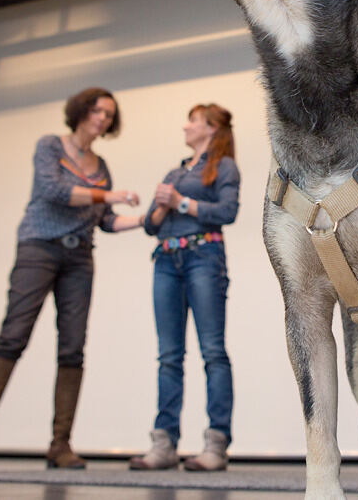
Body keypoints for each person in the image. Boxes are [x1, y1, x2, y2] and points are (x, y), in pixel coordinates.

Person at [0, 87, 144, 470]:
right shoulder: (50, 146)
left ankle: (60, 445)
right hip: (38, 249)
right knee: (12, 336)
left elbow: (107, 222)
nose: (102, 118)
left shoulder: (102, 166)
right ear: (81, 111)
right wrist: (110, 196)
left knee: (72, 348)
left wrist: (146, 220)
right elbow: (56, 191)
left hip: (79, 257)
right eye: (98, 110)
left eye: (109, 115)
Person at [129, 103, 240, 472]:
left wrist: (182, 202)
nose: (186, 126)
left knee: (212, 351)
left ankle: (216, 444)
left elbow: (227, 212)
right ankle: (163, 444)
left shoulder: (223, 167)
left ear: (211, 129)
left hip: (203, 257)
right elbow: (149, 224)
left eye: (193, 121)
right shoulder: (175, 171)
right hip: (166, 260)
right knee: (168, 356)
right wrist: (161, 208)